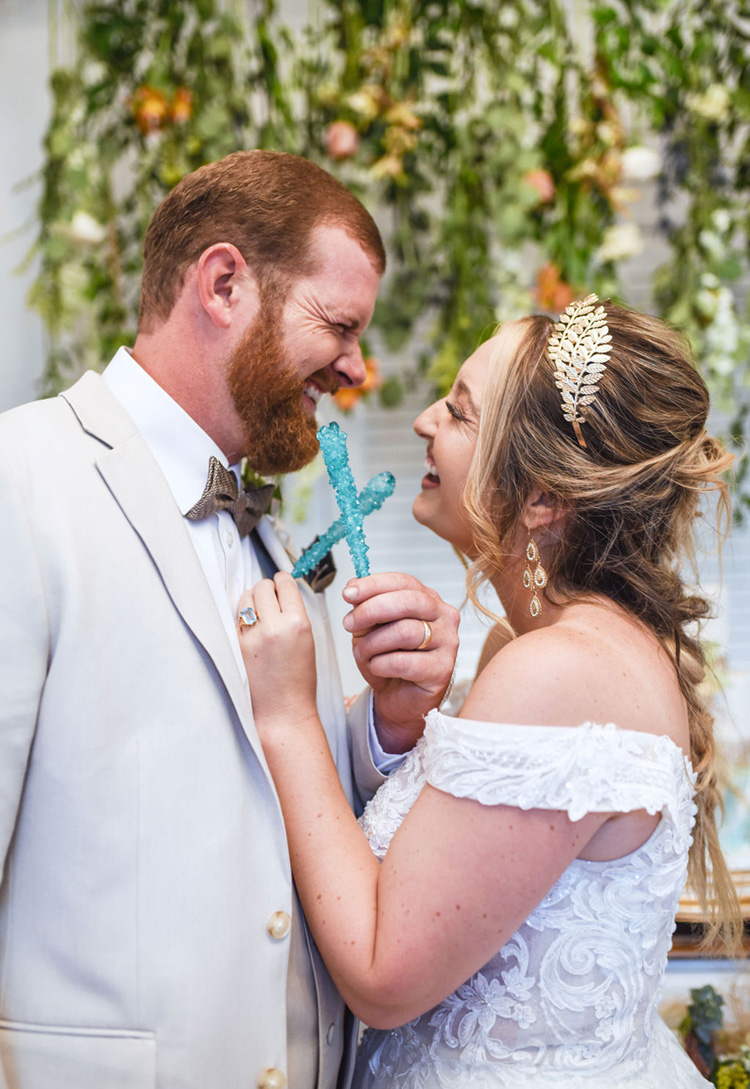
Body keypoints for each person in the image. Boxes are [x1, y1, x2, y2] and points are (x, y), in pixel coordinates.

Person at [0, 150, 459, 1089]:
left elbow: (269, 790)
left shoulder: (268, 533)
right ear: (223, 284)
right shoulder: (23, 482)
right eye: (337, 326)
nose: (356, 369)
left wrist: (390, 723)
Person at [238, 295, 743, 1088]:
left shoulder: (559, 671)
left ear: (543, 499)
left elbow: (382, 971)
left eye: (462, 413)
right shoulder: (547, 648)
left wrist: (290, 714)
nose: (424, 420)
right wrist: (404, 719)